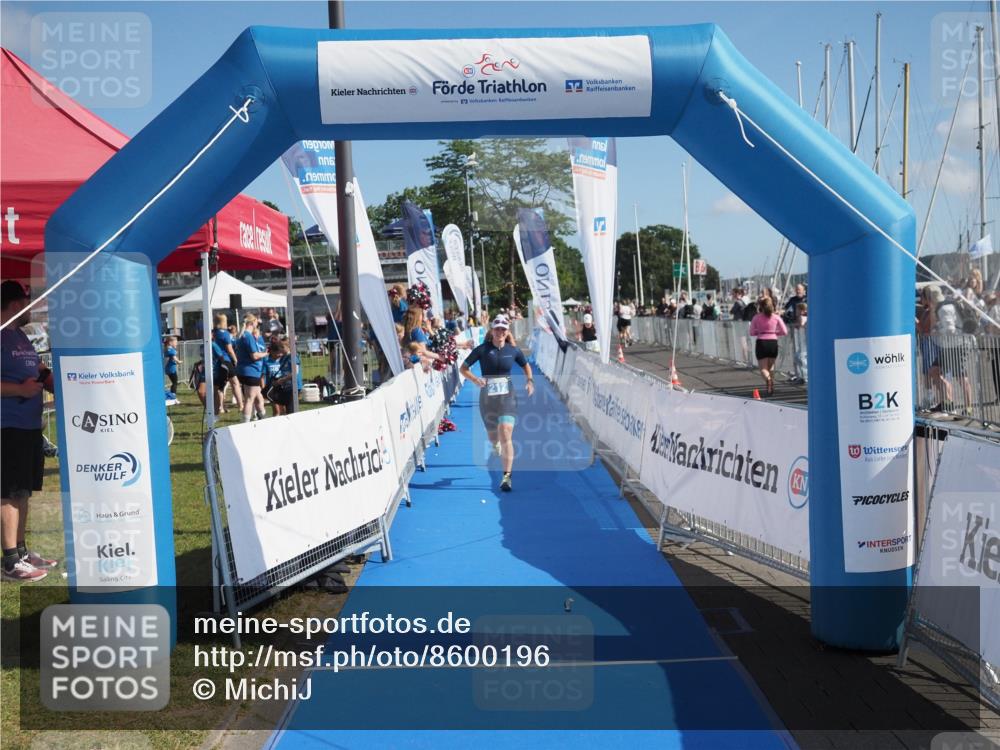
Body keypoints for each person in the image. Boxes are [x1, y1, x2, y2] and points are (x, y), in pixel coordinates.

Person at [1, 281, 58, 582]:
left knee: (23, 491)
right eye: (26, 301)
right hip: (7, 426)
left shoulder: (19, 335)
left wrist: (54, 382)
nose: (30, 307)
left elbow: (37, 369)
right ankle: (10, 561)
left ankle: (21, 552)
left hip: (29, 425)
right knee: (8, 493)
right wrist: (19, 389)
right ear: (14, 304)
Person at [459, 315, 534, 492]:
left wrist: (530, 381)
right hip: (487, 399)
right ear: (492, 331)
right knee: (494, 437)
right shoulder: (482, 350)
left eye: (503, 329)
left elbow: (526, 366)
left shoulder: (513, 350)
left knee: (505, 432)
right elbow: (463, 368)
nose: (500, 332)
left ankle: (506, 477)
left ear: (507, 332)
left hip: (508, 397)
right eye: (497, 328)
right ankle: (495, 445)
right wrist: (475, 379)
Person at [749, 297, 788, 396]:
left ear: (760, 306)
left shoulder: (756, 317)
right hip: (773, 342)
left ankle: (769, 380)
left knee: (763, 368)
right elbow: (784, 331)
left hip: (761, 341)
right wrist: (774, 333)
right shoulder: (776, 317)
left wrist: (760, 332)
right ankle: (770, 386)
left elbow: (752, 332)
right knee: (771, 367)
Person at [235, 314, 267, 422]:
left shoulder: (243, 336)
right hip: (250, 371)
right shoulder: (248, 336)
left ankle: (262, 418)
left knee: (258, 397)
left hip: (246, 371)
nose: (257, 324)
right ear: (252, 322)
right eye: (256, 322)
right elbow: (254, 356)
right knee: (249, 399)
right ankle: (245, 424)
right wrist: (265, 354)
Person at [213, 314, 242, 413]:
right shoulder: (225, 333)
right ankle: (240, 405)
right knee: (235, 383)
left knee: (220, 386)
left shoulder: (214, 333)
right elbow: (230, 350)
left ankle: (221, 407)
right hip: (226, 360)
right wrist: (235, 359)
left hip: (217, 362)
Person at [263, 340, 294, 416]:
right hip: (272, 388)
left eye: (281, 352)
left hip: (282, 387)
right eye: (278, 352)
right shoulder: (266, 362)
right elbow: (262, 376)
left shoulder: (282, 360)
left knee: (283, 409)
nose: (280, 354)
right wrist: (263, 387)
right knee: (276, 410)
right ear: (272, 352)